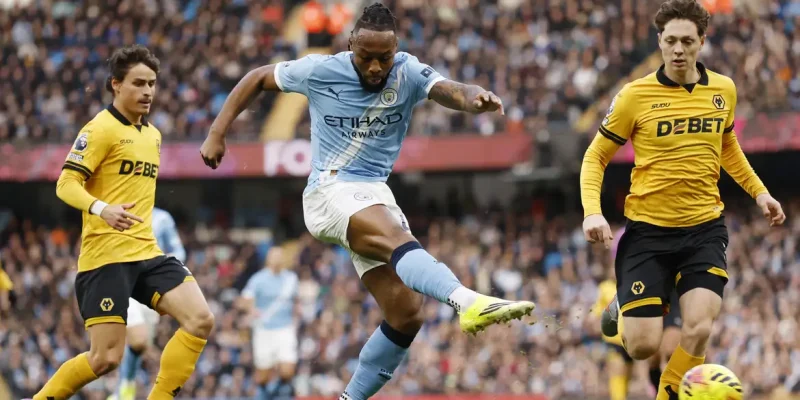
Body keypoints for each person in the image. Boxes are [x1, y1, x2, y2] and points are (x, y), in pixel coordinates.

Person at [200, 3, 535, 399]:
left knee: (406, 314)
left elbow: (448, 89)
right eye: (366, 58)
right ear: (350, 46)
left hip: (374, 191)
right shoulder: (320, 70)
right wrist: (217, 131)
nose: (376, 68)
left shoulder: (407, 70)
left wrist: (474, 97)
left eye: (384, 58)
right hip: (329, 190)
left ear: (395, 51)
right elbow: (258, 78)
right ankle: (467, 300)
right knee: (395, 238)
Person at [580, 1, 786, 399]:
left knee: (699, 327)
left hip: (704, 229)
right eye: (670, 40)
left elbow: (727, 146)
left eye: (687, 41)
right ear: (659, 41)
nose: (678, 49)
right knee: (643, 346)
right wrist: (593, 212)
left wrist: (760, 193)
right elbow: (595, 155)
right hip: (647, 232)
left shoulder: (723, 90)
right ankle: (624, 306)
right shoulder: (633, 96)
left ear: (702, 42)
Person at [32, 45, 214, 400]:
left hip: (146, 252)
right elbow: (65, 183)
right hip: (105, 258)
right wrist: (102, 209)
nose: (148, 91)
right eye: (138, 83)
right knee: (105, 359)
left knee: (201, 320)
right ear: (116, 85)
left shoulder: (153, 136)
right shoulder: (99, 129)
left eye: (152, 84)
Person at [591, 228, 681, 400]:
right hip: (621, 339)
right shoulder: (608, 287)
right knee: (639, 363)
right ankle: (654, 391)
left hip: (667, 299)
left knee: (669, 351)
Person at [109, 207, 187, 400]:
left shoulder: (162, 218)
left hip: (151, 287)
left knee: (140, 345)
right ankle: (122, 390)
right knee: (138, 338)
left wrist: (162, 264)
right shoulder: (117, 211)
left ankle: (125, 385)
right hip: (125, 281)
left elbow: (178, 251)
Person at [237, 246, 298, 400]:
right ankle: (268, 394)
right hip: (264, 330)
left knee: (287, 371)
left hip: (285, 328)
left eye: (280, 256)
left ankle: (276, 393)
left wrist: (297, 316)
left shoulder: (291, 279)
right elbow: (243, 300)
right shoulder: (258, 279)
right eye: (274, 256)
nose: (277, 259)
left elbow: (295, 302)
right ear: (268, 259)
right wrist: (251, 309)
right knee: (262, 377)